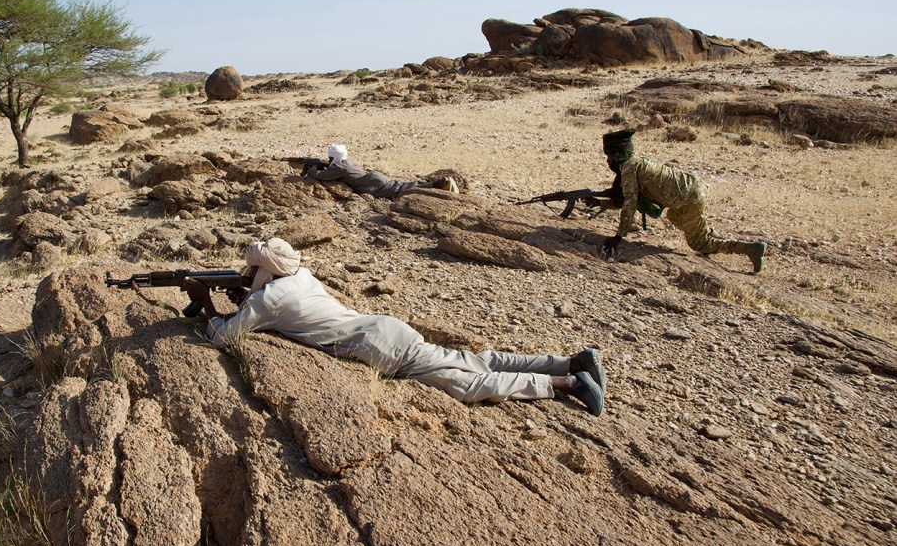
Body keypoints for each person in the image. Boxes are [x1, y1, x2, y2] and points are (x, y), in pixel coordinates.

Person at [181, 238, 607, 416]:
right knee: (473, 359)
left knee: (468, 384)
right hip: (385, 329)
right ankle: (568, 361)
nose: (247, 273)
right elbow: (282, 305)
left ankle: (568, 383)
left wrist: (206, 302)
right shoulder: (301, 277)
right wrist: (245, 297)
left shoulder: (267, 300)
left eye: (252, 268)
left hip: (381, 351)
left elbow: (223, 337)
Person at [598, 129, 768, 273]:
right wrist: (600, 203)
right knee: (675, 216)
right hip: (693, 190)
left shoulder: (628, 168)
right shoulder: (637, 163)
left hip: (687, 199)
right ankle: (712, 235)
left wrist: (618, 236)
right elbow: (627, 199)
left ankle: (750, 249)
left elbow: (630, 202)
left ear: (618, 154)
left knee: (698, 243)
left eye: (609, 156)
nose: (608, 161)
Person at [304, 143, 460, 199]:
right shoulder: (347, 163)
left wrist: (312, 169)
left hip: (374, 185)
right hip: (376, 178)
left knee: (403, 191)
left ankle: (441, 185)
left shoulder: (339, 167)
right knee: (404, 185)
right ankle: (437, 184)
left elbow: (321, 176)